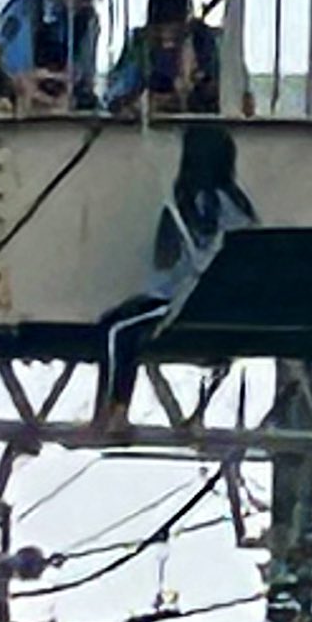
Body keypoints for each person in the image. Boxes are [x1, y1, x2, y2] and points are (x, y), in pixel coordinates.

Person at [93, 124, 256, 430]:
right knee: (119, 322)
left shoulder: (195, 202)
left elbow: (166, 261)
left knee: (116, 329)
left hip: (184, 300)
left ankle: (114, 411)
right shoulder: (238, 203)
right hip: (222, 304)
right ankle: (109, 413)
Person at [0, 0, 108, 112]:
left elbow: (85, 74)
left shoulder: (88, 19)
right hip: (23, 104)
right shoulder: (23, 10)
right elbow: (14, 72)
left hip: (68, 105)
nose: (86, 5)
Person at [105, 0, 222, 115]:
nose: (167, 41)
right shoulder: (141, 45)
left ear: (188, 27)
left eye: (177, 34)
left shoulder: (204, 42)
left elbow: (221, 87)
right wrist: (138, 102)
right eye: (159, 32)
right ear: (150, 28)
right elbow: (116, 93)